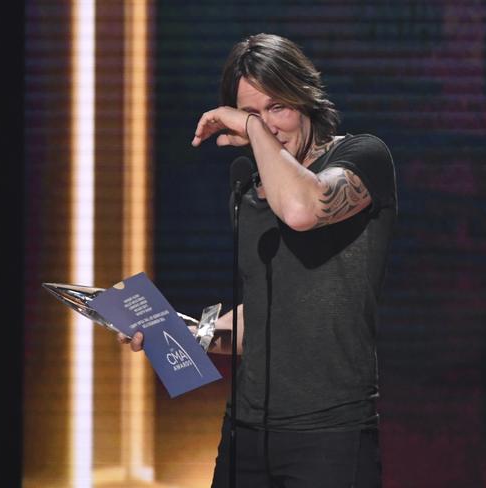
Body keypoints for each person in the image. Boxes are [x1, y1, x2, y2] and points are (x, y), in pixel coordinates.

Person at [119, 33, 397, 488]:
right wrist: (180, 337)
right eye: (250, 114)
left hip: (330, 437)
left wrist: (251, 131)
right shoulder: (247, 190)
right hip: (246, 433)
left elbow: (303, 210)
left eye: (277, 108)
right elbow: (267, 312)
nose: (265, 126)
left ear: (306, 101)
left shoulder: (363, 156)